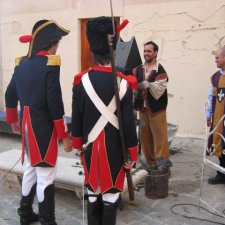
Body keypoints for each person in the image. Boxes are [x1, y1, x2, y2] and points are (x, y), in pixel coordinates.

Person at [71, 16, 138, 225]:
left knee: (93, 191)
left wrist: (77, 145)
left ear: (92, 53)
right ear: (114, 52)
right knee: (111, 195)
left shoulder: (80, 81)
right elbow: (127, 124)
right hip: (114, 151)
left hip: (90, 149)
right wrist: (132, 153)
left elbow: (77, 119)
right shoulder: (124, 84)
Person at [5, 19, 72, 225]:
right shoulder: (49, 64)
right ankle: (47, 220)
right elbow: (54, 102)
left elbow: (10, 93)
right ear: (47, 42)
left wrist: (13, 120)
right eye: (56, 42)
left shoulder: (21, 63)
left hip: (26, 125)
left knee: (30, 169)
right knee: (45, 174)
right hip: (42, 128)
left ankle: (25, 214)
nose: (57, 46)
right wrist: (64, 135)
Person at [133, 41, 170, 168]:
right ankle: (151, 163)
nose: (146, 54)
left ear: (155, 53)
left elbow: (161, 86)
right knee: (145, 139)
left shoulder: (160, 69)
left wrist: (149, 85)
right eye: (144, 51)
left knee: (160, 139)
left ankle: (162, 165)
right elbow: (133, 83)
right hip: (143, 110)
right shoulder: (138, 69)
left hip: (156, 110)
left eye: (149, 51)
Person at [206, 46, 225, 184]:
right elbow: (211, 96)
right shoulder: (215, 77)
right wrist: (209, 114)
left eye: (217, 57)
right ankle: (221, 173)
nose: (215, 60)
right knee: (218, 144)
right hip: (218, 119)